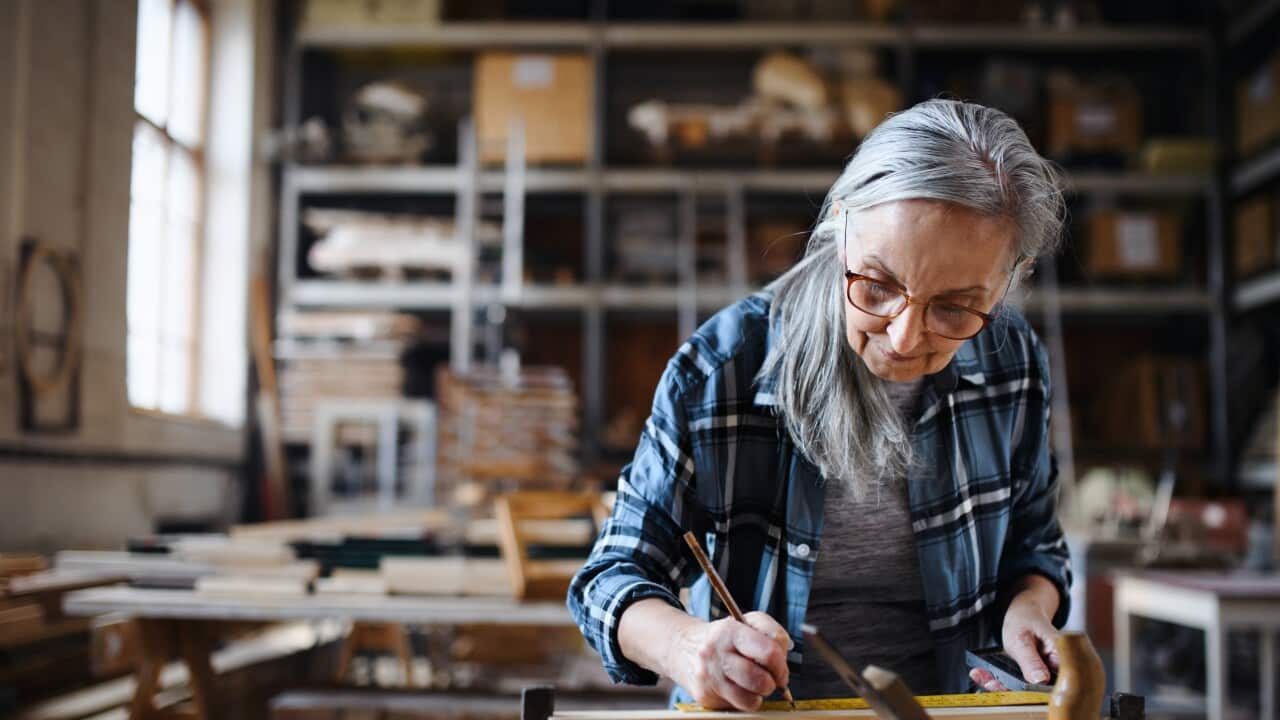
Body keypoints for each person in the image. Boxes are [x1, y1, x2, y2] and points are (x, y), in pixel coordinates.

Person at [567, 99, 1072, 711]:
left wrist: (1028, 610)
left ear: (1014, 274)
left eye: (955, 307)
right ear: (840, 225)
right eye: (879, 286)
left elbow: (1034, 545)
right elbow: (608, 579)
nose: (905, 336)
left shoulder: (1011, 363)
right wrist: (689, 647)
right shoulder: (724, 370)